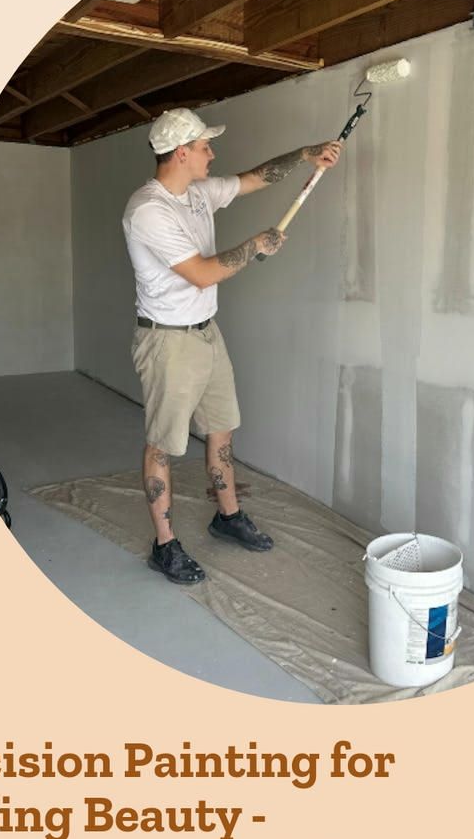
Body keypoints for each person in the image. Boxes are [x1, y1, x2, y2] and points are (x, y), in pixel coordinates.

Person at [122, 107, 341, 584]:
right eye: (204, 147)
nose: (211, 154)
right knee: (163, 445)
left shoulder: (197, 193)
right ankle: (165, 545)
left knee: (222, 428)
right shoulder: (148, 211)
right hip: (168, 343)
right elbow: (200, 273)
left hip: (205, 331)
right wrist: (254, 247)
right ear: (181, 154)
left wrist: (307, 155)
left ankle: (227, 516)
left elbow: (253, 179)